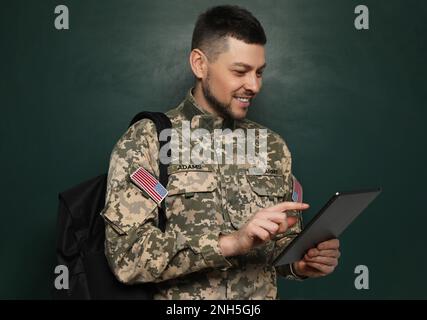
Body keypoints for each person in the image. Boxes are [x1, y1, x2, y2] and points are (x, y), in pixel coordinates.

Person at [101, 5, 340, 300]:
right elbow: (127, 257)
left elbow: (281, 247)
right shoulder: (149, 141)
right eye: (240, 71)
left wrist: (301, 263)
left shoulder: (272, 147)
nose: (253, 85)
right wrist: (231, 243)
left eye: (259, 73)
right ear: (200, 65)